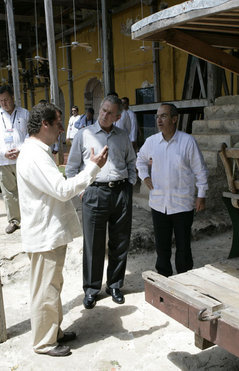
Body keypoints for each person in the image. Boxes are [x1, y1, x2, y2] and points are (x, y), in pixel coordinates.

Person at [17, 102, 108, 357]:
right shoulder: (34, 154)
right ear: (44, 124)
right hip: (44, 234)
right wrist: (93, 168)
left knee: (52, 286)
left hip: (49, 232)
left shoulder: (38, 151)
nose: (61, 128)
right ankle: (44, 342)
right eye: (58, 122)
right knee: (45, 290)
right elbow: (63, 189)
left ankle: (53, 332)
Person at [66, 95, 137, 309]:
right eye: (103, 110)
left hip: (120, 193)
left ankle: (115, 285)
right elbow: (71, 168)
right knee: (94, 244)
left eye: (110, 113)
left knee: (120, 241)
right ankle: (91, 289)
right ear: (100, 108)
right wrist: (82, 192)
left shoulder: (123, 136)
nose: (105, 115)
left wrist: (129, 184)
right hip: (94, 192)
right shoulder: (83, 135)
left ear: (118, 116)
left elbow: (131, 162)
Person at [136, 103, 208, 277]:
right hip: (159, 203)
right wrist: (145, 176)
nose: (159, 120)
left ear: (174, 119)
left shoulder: (187, 141)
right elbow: (140, 159)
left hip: (182, 203)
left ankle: (185, 278)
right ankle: (164, 277)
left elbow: (200, 170)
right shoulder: (152, 142)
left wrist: (201, 195)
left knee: (183, 246)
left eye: (164, 116)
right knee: (162, 246)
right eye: (157, 116)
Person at [0, 85, 29, 234]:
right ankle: (14, 220)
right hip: (3, 161)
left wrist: (21, 149)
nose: (4, 103)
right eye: (1, 101)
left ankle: (28, 219)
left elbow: (31, 135)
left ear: (13, 97)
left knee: (25, 190)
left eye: (6, 99)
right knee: (8, 192)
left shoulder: (24, 114)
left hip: (22, 159)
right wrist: (4, 152)